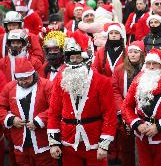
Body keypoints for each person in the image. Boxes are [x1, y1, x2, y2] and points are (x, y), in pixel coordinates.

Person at [47, 30, 117, 165]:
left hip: (94, 141)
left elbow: (109, 114)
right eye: (71, 58)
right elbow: (53, 112)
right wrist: (54, 142)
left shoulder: (102, 81)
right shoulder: (60, 80)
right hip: (69, 141)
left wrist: (104, 144)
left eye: (78, 57)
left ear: (86, 58)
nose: (74, 61)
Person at [121, 48, 161, 166]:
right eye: (148, 63)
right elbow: (126, 106)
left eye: (154, 63)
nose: (151, 67)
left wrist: (159, 127)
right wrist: (137, 124)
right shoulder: (139, 79)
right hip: (142, 134)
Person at [0, 57, 56, 166]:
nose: (23, 82)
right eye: (20, 79)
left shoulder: (46, 85)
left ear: (33, 74)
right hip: (20, 141)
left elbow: (55, 108)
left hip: (42, 140)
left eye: (26, 78)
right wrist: (10, 119)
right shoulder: (10, 87)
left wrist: (39, 120)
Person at [112, 41, 145, 166]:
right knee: (126, 146)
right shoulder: (120, 69)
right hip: (125, 112)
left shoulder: (147, 68)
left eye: (136, 52)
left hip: (142, 111)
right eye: (130, 52)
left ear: (141, 54)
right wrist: (122, 110)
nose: (132, 55)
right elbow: (115, 90)